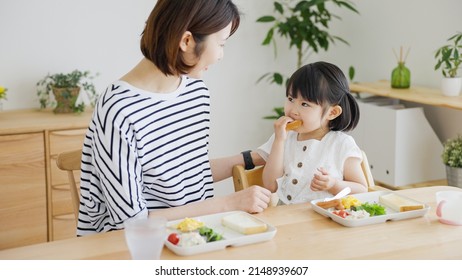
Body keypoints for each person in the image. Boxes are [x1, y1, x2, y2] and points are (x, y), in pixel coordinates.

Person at [77, 0, 270, 236]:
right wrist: (229, 204)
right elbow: (131, 222)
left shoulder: (195, 92)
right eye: (221, 44)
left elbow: (189, 173)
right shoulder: (118, 109)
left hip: (189, 236)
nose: (220, 56)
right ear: (186, 41)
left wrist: (254, 157)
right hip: (129, 249)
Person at [257, 61, 368, 205]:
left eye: (305, 104)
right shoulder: (284, 138)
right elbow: (270, 185)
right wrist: (278, 141)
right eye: (291, 99)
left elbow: (361, 189)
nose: (293, 110)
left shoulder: (341, 144)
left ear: (332, 112)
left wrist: (334, 185)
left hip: (324, 220)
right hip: (287, 219)